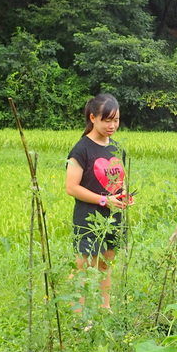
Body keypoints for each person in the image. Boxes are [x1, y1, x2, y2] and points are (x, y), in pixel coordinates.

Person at [65, 93, 130, 312]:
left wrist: (124, 195)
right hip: (88, 217)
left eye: (116, 120)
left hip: (113, 216)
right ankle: (78, 314)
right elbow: (71, 187)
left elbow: (120, 180)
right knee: (83, 266)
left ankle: (105, 308)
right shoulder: (81, 149)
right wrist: (104, 200)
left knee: (106, 263)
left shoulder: (117, 148)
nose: (112, 126)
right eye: (107, 120)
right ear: (93, 118)